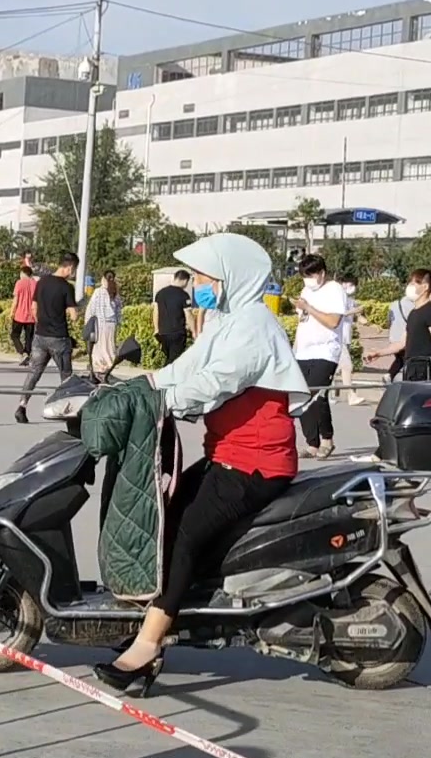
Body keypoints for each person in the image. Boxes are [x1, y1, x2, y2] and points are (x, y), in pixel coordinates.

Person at [93, 235, 304, 694]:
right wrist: (139, 385)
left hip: (255, 464)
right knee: (163, 517)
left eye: (209, 277)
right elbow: (186, 367)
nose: (200, 286)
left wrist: (162, 399)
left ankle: (149, 646)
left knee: (185, 532)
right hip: (227, 456)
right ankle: (161, 619)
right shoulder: (226, 321)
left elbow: (217, 380)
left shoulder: (255, 327)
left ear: (234, 277)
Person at [289, 254, 349, 459]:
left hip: (326, 350)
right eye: (304, 275)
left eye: (311, 274)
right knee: (300, 395)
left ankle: (327, 439)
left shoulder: (334, 290)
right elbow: (304, 320)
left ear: (322, 273)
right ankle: (311, 442)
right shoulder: (306, 290)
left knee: (316, 394)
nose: (308, 280)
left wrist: (309, 308)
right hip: (303, 350)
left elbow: (333, 321)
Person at [15, 254, 79, 424]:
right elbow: (73, 316)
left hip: (40, 336)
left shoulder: (41, 282)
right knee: (66, 376)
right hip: (59, 337)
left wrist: (41, 324)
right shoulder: (67, 287)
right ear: (70, 267)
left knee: (34, 372)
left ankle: (22, 406)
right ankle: (68, 410)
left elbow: (34, 307)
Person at [368, 269, 431, 381]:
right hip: (411, 368)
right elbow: (402, 343)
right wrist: (378, 353)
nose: (410, 286)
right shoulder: (413, 313)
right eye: (410, 282)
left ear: (425, 287)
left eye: (414, 283)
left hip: (425, 369)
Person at [335, 271, 368, 406]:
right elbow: (338, 314)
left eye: (353, 284)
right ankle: (351, 395)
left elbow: (356, 317)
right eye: (349, 283)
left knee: (337, 369)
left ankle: (326, 393)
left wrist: (363, 319)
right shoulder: (337, 298)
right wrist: (354, 311)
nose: (351, 287)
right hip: (337, 338)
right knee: (347, 366)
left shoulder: (351, 300)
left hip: (346, 338)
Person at [83, 268, 123, 375]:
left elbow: (91, 309)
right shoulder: (115, 293)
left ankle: (99, 365)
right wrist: (119, 322)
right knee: (110, 345)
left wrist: (87, 322)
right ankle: (109, 363)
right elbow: (119, 310)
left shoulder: (98, 292)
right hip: (112, 324)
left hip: (100, 323)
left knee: (99, 345)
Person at [154, 270, 192, 363]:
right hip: (177, 332)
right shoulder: (184, 295)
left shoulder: (160, 293)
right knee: (174, 360)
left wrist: (156, 329)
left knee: (168, 357)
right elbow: (188, 315)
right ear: (185, 281)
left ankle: (166, 374)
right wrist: (193, 330)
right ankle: (165, 376)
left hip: (163, 332)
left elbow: (156, 312)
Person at [10, 266, 37, 365]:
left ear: (23, 273)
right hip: (32, 316)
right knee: (29, 337)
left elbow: (16, 300)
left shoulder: (19, 283)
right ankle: (26, 353)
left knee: (14, 335)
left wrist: (12, 312)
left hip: (19, 315)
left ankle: (22, 352)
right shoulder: (35, 283)